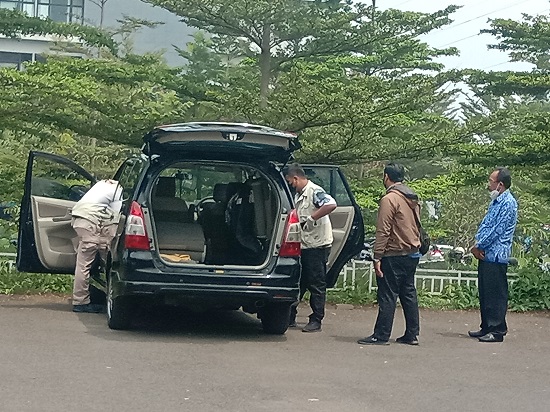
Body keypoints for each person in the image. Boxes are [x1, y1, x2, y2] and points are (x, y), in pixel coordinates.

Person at [358, 162, 421, 346]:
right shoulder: (412, 197)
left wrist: (377, 256)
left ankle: (381, 334)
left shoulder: (390, 199)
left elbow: (383, 230)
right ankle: (412, 334)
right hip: (412, 252)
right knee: (408, 293)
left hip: (394, 253)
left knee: (388, 294)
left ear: (386, 176)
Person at [284, 164, 337, 332]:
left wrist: (312, 218)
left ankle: (316, 319)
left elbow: (331, 205)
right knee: (299, 282)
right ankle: (289, 315)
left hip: (317, 245)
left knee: (316, 283)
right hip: (303, 245)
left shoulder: (314, 191)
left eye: (290, 182)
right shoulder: (298, 195)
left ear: (296, 178)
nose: (290, 185)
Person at [469, 167, 518, 343]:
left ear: (500, 184)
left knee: (496, 294)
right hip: (486, 254)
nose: (489, 184)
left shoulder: (508, 203)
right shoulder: (496, 202)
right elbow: (486, 225)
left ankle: (497, 330)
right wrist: (477, 245)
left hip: (496, 254)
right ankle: (486, 326)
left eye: (491, 181)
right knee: (486, 292)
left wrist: (479, 245)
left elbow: (497, 230)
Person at [71, 179, 123, 313]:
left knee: (85, 262)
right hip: (89, 220)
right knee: (84, 264)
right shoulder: (119, 190)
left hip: (80, 217)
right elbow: (113, 219)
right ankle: (80, 302)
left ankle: (85, 297)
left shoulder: (103, 184)